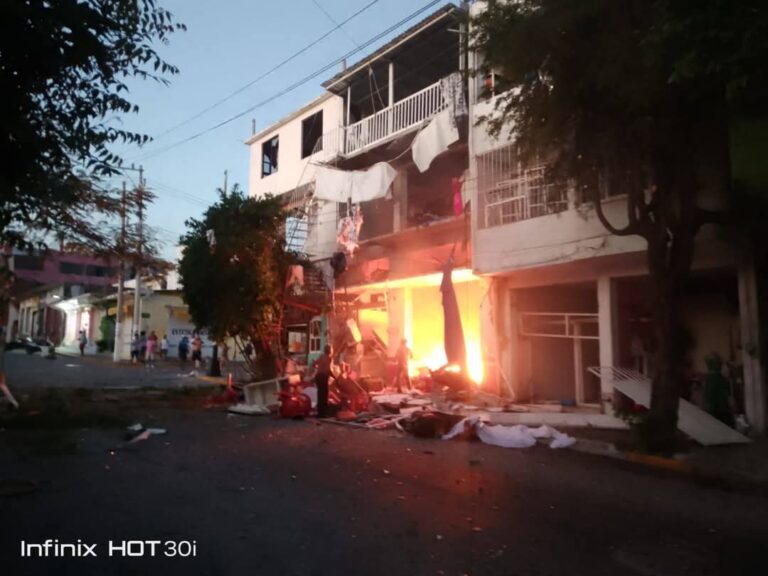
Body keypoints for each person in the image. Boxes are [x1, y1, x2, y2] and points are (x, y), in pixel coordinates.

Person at [312, 344, 333, 418]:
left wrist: (316, 365)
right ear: (329, 350)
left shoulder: (321, 356)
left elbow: (314, 364)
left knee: (320, 395)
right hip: (323, 377)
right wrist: (335, 377)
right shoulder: (329, 358)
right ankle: (323, 414)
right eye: (331, 349)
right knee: (324, 395)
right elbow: (328, 370)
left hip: (318, 377)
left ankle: (320, 413)